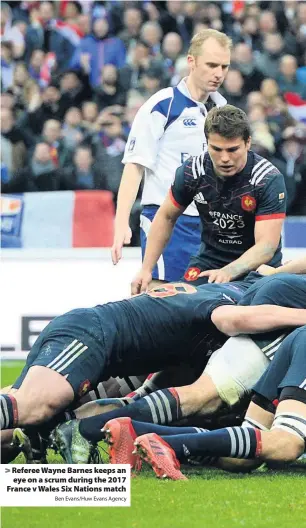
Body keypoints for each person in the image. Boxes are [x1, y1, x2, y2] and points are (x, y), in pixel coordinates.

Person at [51, 268, 306, 465]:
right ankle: (82, 428)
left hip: (245, 305)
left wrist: (273, 270)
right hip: (271, 316)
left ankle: (125, 432)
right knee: (203, 399)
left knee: (238, 457)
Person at [111, 29, 231, 286]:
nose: (219, 73)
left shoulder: (224, 111)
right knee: (162, 298)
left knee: (207, 306)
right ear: (192, 61)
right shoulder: (162, 106)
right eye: (211, 65)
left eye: (224, 66)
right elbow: (134, 167)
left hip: (212, 224)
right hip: (167, 220)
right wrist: (121, 222)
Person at [131, 105, 286, 294]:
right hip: (209, 262)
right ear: (207, 143)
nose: (224, 158)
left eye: (232, 149)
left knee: (232, 315)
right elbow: (166, 217)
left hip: (258, 269)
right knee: (172, 300)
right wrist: (146, 269)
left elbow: (266, 246)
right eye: (216, 149)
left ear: (248, 143)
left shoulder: (266, 178)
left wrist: (228, 272)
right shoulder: (192, 171)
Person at [132, 324, 306, 480]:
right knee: (287, 443)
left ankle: (135, 431)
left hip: (293, 340)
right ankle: (169, 446)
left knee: (242, 460)